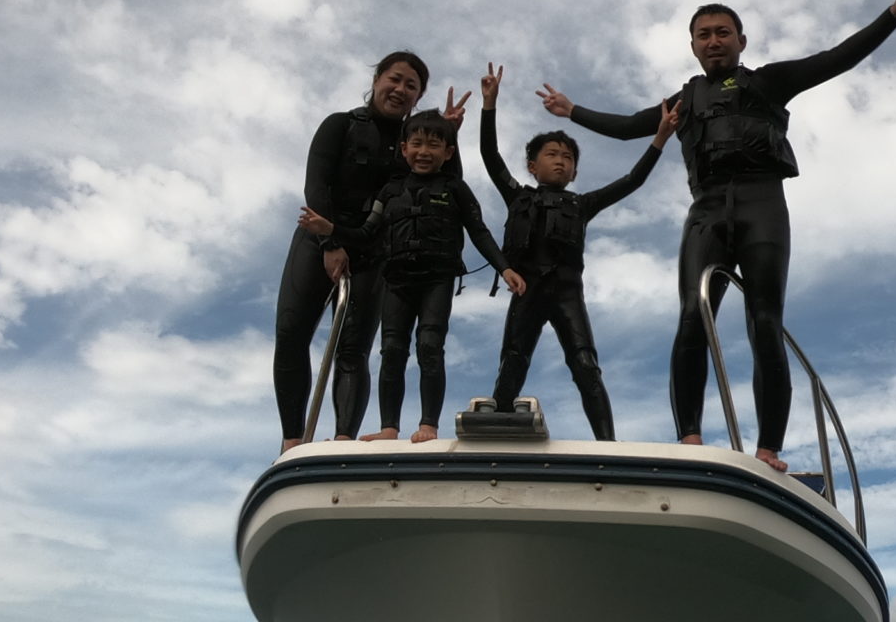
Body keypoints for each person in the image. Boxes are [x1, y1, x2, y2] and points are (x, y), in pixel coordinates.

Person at [538, 0, 896, 470]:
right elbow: (627, 127)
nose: (713, 41)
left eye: (722, 32)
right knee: (693, 315)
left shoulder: (769, 82)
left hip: (762, 205)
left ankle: (768, 448)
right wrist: (572, 110)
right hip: (706, 211)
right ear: (692, 46)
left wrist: (893, 14)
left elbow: (837, 58)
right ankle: (689, 437)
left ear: (741, 41)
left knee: (764, 321)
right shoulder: (682, 102)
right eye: (703, 35)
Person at [273, 52, 466, 449]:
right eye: (394, 79)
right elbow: (316, 185)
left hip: (374, 251)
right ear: (377, 79)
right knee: (292, 335)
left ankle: (344, 437)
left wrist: (450, 136)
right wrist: (330, 243)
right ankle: (292, 439)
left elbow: (447, 189)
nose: (400, 89)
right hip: (321, 238)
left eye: (411, 86)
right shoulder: (340, 125)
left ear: (418, 97)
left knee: (353, 349)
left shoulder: (414, 145)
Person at [476, 64, 678, 441]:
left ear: (575, 173)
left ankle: (607, 443)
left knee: (585, 365)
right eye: (552, 154)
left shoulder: (583, 205)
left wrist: (660, 138)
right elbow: (490, 155)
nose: (561, 160)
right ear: (532, 166)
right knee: (513, 361)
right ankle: (498, 427)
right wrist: (490, 105)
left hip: (567, 292)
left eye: (568, 158)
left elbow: (632, 180)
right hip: (527, 289)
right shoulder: (517, 195)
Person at [351, 110, 524, 443]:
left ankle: (428, 425)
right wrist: (330, 232)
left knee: (430, 346)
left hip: (436, 279)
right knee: (392, 350)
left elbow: (479, 232)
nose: (424, 152)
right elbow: (366, 232)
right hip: (397, 280)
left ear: (448, 152)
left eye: (433, 145)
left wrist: (504, 268)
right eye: (416, 144)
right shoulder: (389, 191)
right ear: (404, 148)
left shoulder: (456, 188)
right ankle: (389, 428)